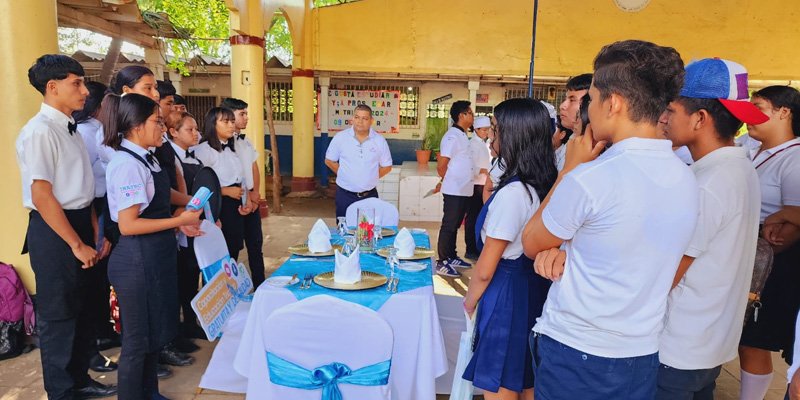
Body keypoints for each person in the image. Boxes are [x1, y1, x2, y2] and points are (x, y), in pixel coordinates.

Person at [521, 40, 697, 400]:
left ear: (613, 103)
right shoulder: (686, 177)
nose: (590, 108)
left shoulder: (591, 177)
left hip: (578, 350)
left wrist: (568, 169)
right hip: (641, 351)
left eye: (593, 98)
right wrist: (573, 251)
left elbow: (531, 242)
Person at [658, 58, 766, 400]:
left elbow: (671, 272)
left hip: (678, 347)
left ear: (700, 118)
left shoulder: (707, 183)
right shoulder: (739, 168)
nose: (663, 118)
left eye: (671, 110)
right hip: (711, 341)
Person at [17, 54, 117, 399]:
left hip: (81, 222)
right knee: (60, 315)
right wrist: (76, 244)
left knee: (86, 307)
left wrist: (95, 234)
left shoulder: (69, 127)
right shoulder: (39, 132)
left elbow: (83, 190)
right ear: (52, 86)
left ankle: (80, 380)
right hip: (54, 229)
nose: (85, 90)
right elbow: (42, 195)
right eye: (76, 83)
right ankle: (61, 391)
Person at [102, 93, 201, 400]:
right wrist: (178, 221)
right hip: (136, 262)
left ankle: (151, 394)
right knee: (136, 342)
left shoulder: (149, 157)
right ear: (134, 125)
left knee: (154, 336)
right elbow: (128, 225)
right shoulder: (126, 164)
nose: (163, 126)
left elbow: (163, 194)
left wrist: (194, 201)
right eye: (157, 121)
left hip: (155, 257)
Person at [462, 98, 556, 400]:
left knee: (501, 378)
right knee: (525, 375)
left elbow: (486, 269)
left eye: (497, 131)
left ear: (515, 137)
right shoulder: (541, 184)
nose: (491, 139)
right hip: (531, 289)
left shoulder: (513, 194)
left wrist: (470, 300)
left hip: (506, 293)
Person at [738, 85, 800, 400]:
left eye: (759, 107)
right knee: (742, 338)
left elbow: (795, 217)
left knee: (755, 341)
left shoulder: (795, 157)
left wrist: (779, 223)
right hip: (748, 250)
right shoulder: (750, 148)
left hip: (772, 262)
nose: (750, 115)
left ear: (784, 112)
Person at [74, 80, 119, 373]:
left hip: (102, 208)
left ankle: (105, 328)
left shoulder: (98, 131)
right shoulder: (84, 132)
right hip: (94, 207)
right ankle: (94, 337)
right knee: (94, 276)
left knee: (103, 275)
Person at [164, 111, 206, 339]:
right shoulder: (171, 159)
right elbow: (178, 195)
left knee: (193, 272)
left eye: (196, 129)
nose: (196, 134)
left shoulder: (194, 157)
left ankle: (191, 323)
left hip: (195, 220)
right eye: (189, 130)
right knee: (182, 275)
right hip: (179, 223)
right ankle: (181, 327)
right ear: (173, 132)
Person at [194, 107, 253, 261]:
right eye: (225, 121)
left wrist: (246, 200)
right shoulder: (203, 150)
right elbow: (198, 185)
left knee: (232, 253)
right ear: (213, 124)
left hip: (235, 206)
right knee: (216, 255)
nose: (231, 125)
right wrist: (224, 191)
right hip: (217, 206)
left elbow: (241, 178)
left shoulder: (233, 149)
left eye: (232, 121)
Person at [220, 97, 266, 287]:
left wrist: (255, 196)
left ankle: (260, 286)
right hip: (230, 202)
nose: (246, 118)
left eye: (246, 113)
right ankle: (227, 293)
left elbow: (254, 167)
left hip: (250, 201)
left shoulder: (244, 142)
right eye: (242, 114)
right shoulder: (216, 145)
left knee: (255, 246)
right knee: (231, 250)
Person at [324, 104, 393, 219]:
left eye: (365, 118)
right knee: (344, 231)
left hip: (369, 195)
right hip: (345, 195)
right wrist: (345, 174)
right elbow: (329, 161)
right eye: (357, 117)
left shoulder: (379, 140)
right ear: (352, 119)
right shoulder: (341, 137)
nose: (360, 121)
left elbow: (387, 166)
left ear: (371, 121)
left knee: (368, 232)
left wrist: (370, 177)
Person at [435, 100, 476, 277]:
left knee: (456, 225)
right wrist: (447, 180)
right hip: (454, 190)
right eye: (470, 113)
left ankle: (452, 256)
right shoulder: (452, 136)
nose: (472, 116)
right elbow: (442, 164)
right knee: (449, 225)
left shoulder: (462, 135)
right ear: (461, 116)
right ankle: (442, 261)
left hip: (463, 189)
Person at [464, 115, 492, 261]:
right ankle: (470, 249)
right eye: (484, 130)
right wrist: (481, 170)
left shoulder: (483, 143)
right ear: (477, 129)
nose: (486, 132)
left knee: (479, 217)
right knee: (472, 218)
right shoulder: (473, 144)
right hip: (476, 185)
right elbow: (470, 165)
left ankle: (476, 247)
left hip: (483, 184)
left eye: (488, 130)